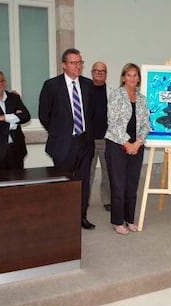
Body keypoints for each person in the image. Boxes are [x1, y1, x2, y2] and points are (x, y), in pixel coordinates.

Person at [39, 48, 96, 230]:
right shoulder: (51, 85)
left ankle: (81, 216)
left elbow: (91, 113)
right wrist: (59, 132)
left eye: (80, 63)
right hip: (63, 143)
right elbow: (44, 115)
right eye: (73, 63)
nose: (78, 66)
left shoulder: (88, 84)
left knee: (83, 182)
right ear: (64, 65)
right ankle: (64, 218)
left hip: (84, 142)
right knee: (64, 182)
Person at [105, 63, 150, 234]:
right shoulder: (116, 95)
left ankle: (129, 219)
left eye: (135, 75)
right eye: (129, 75)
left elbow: (146, 124)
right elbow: (113, 122)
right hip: (117, 143)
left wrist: (138, 143)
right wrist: (127, 143)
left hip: (136, 144)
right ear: (123, 77)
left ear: (138, 78)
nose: (132, 78)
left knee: (132, 184)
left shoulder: (142, 98)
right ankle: (117, 221)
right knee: (118, 183)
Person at [0, 69, 31, 170]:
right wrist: (13, 123)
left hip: (17, 149)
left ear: (4, 83)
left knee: (19, 182)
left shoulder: (14, 97)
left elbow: (26, 116)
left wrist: (4, 117)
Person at [89, 61, 112, 211]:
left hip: (106, 138)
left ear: (106, 74)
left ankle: (107, 200)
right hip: (88, 139)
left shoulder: (112, 91)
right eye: (97, 71)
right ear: (92, 73)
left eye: (103, 71)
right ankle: (84, 200)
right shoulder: (84, 89)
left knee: (108, 172)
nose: (100, 73)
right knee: (87, 173)